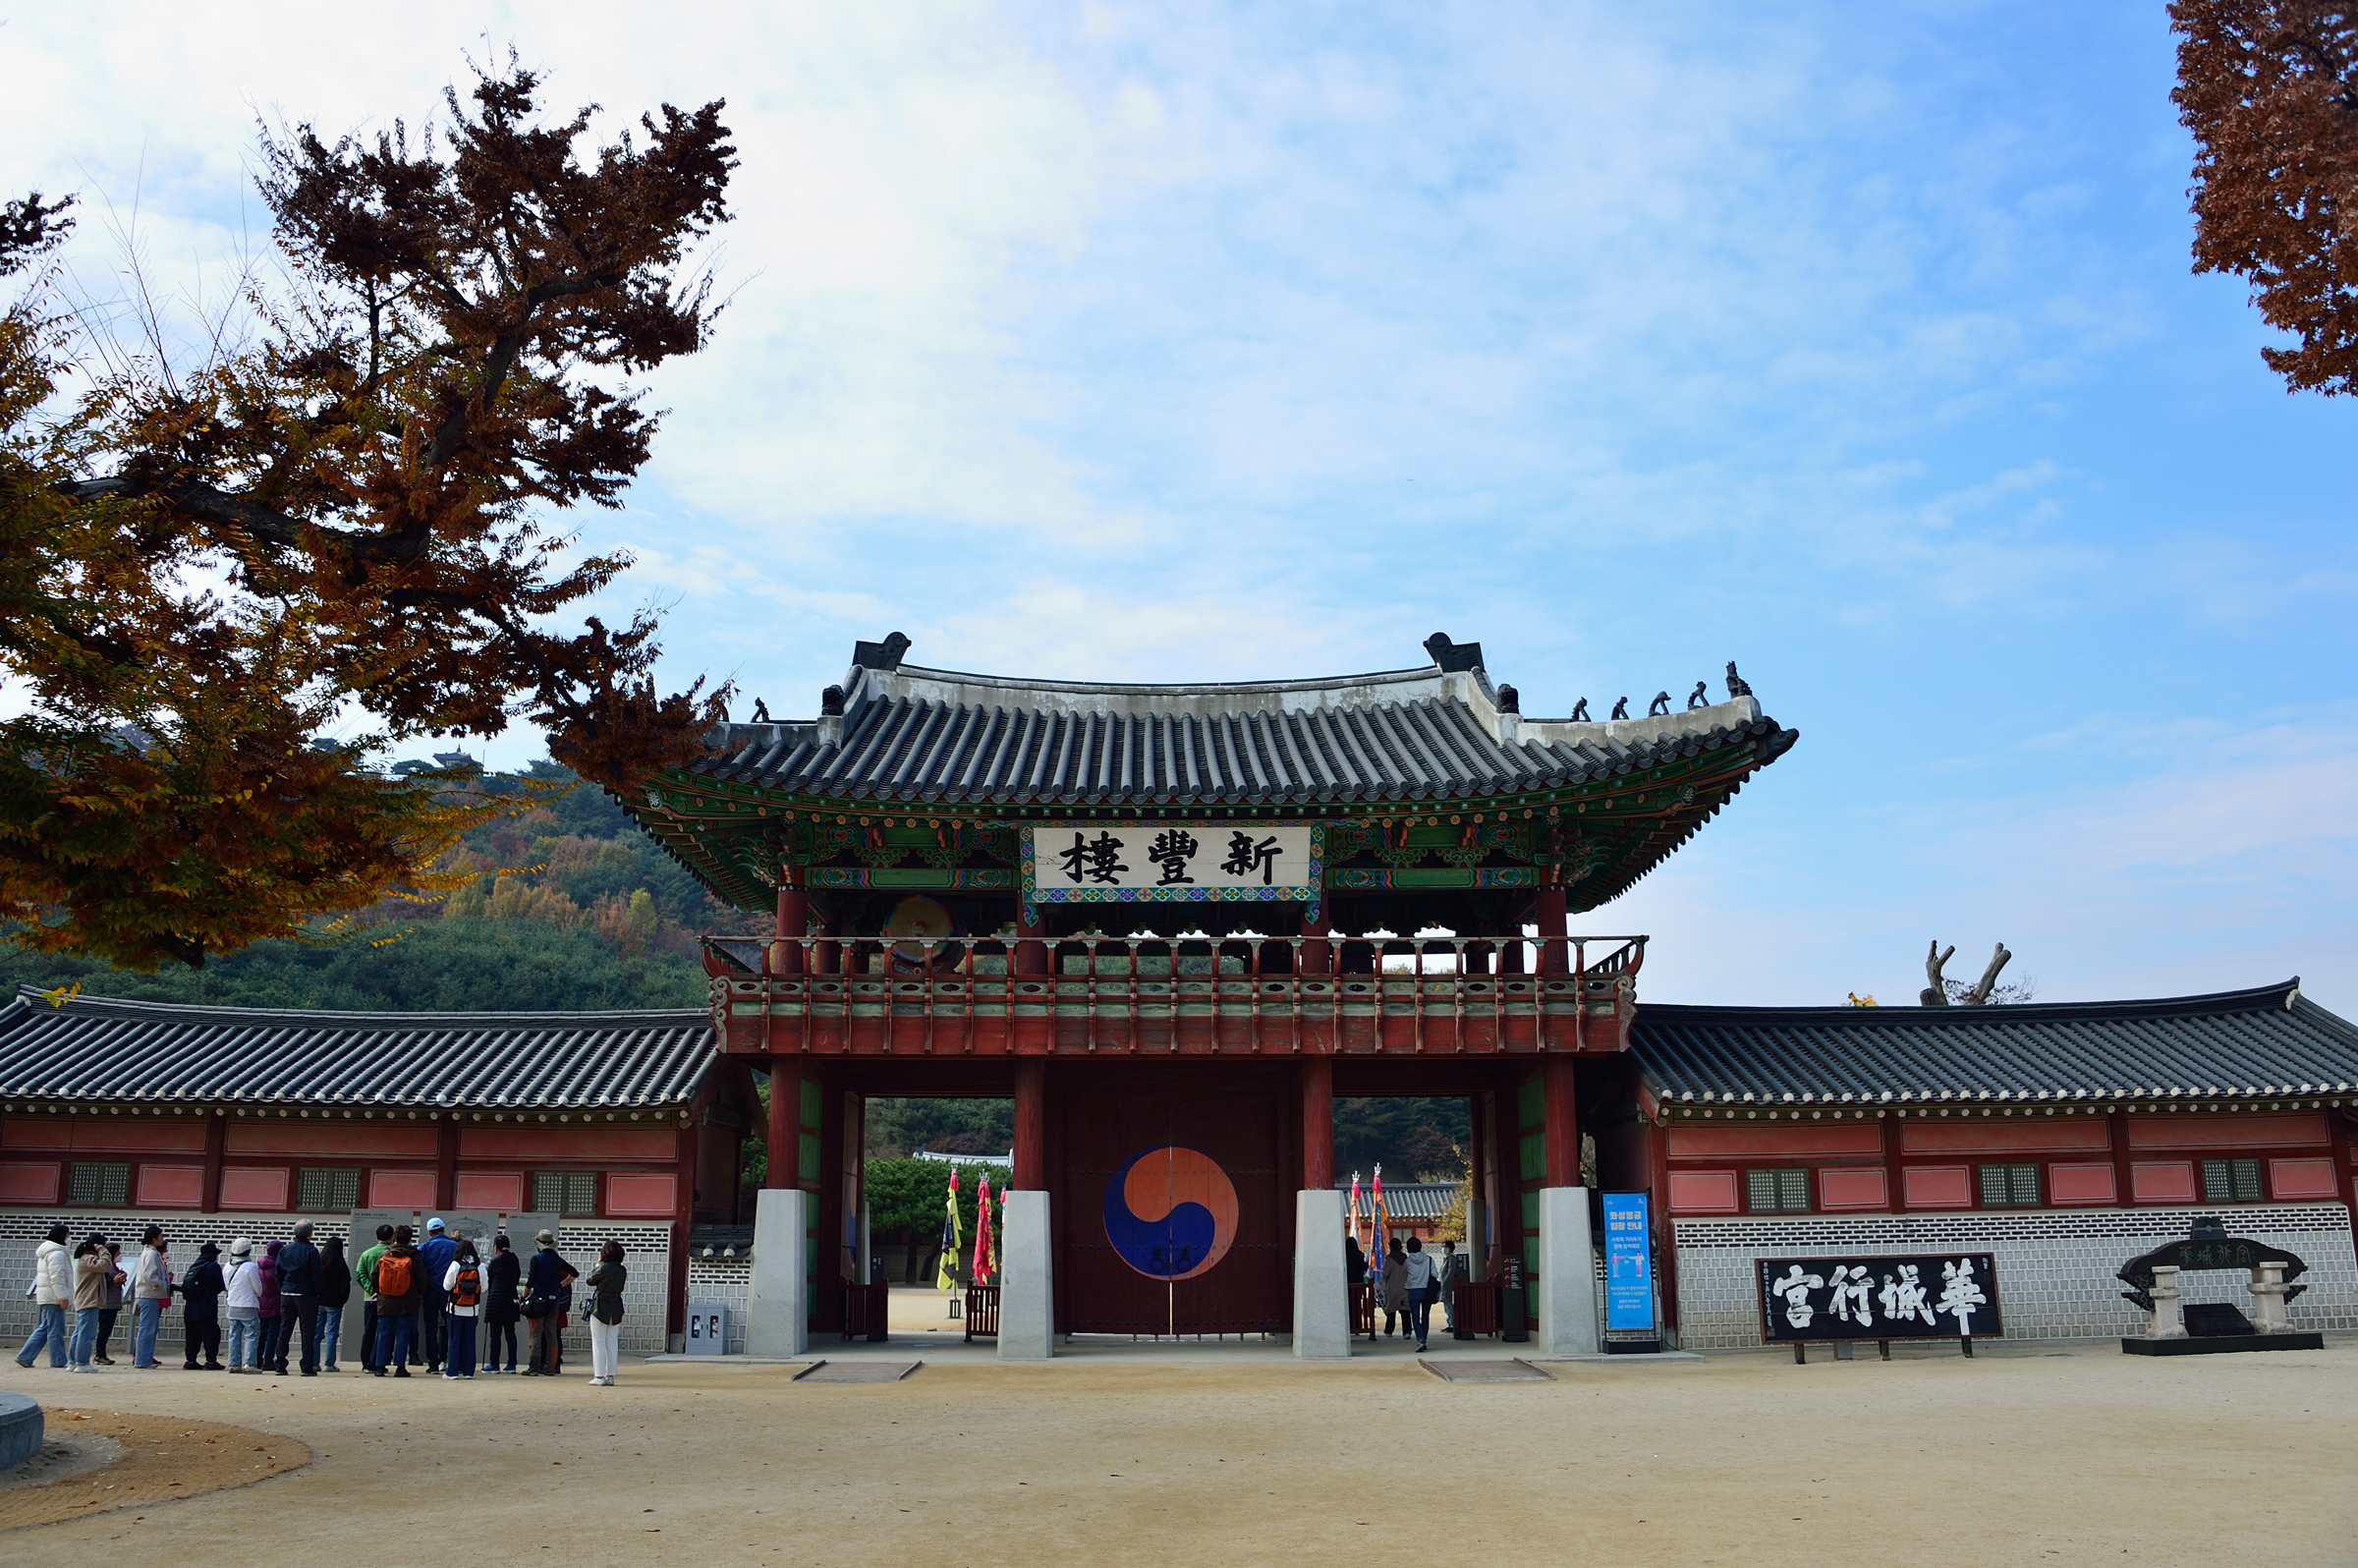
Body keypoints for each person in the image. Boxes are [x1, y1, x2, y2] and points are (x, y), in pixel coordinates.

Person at [16, 1222, 70, 1370]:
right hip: (54, 1296)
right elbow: (57, 1277)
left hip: (48, 1295)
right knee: (55, 1329)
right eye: (67, 1235)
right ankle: (57, 1360)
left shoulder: (47, 1251)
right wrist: (63, 1296)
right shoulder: (57, 1253)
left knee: (46, 1327)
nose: (69, 1237)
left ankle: (25, 1356)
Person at [370, 1224, 421, 1376]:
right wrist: (417, 1294)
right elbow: (421, 1278)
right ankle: (400, 1367)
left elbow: (374, 1276)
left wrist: (379, 1291)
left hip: (385, 1301)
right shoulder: (414, 1256)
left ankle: (380, 1366)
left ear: (395, 1238)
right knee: (403, 1334)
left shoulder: (386, 1255)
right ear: (409, 1239)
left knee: (384, 1333)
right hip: (407, 1301)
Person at [523, 1230, 575, 1376]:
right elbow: (574, 1273)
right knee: (552, 1334)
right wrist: (561, 1285)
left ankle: (534, 1367)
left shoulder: (536, 1259)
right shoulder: (556, 1259)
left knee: (536, 1334)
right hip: (554, 1301)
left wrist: (524, 1294)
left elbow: (532, 1279)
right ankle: (551, 1367)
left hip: (538, 1300)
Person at [276, 1221, 321, 1375]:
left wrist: (281, 1287)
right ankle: (306, 1366)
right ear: (309, 1233)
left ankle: (280, 1364)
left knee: (285, 1328)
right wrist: (318, 1292)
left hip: (286, 1292)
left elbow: (278, 1271)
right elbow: (316, 1273)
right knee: (307, 1331)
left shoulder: (284, 1249)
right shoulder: (311, 1250)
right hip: (305, 1293)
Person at [583, 1241, 628, 1386]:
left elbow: (590, 1281)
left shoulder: (602, 1269)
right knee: (612, 1342)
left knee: (599, 1341)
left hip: (600, 1306)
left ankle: (599, 1376)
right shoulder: (622, 1270)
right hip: (616, 1305)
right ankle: (610, 1376)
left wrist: (598, 1265)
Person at [417, 1217, 458, 1372]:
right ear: (443, 1229)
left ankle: (433, 1364)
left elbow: (419, 1269)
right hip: (449, 1293)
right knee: (452, 1328)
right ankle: (452, 1362)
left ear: (429, 1232)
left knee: (430, 1329)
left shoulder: (424, 1247)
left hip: (429, 1293)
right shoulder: (454, 1246)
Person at [179, 1242, 226, 1371]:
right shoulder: (213, 1266)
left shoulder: (194, 1266)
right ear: (212, 1256)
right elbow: (220, 1286)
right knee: (212, 1335)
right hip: (206, 1308)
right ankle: (211, 1361)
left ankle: (190, 1361)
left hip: (190, 1308)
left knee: (192, 1336)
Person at [441, 1238, 482, 1380]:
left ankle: (452, 1372)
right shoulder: (479, 1266)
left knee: (454, 1340)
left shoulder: (455, 1265)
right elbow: (484, 1287)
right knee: (469, 1340)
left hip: (455, 1309)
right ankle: (468, 1372)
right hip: (473, 1309)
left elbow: (446, 1286)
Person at [69, 1235, 111, 1372]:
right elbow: (105, 1266)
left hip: (84, 1300)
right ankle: (82, 1363)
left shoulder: (84, 1258)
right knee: (86, 1334)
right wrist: (104, 1251)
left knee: (79, 1332)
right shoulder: (89, 1259)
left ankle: (73, 1361)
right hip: (89, 1300)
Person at [131, 1226, 171, 1369]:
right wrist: (160, 1284)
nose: (162, 1239)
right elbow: (149, 1275)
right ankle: (142, 1361)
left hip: (149, 1295)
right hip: (148, 1295)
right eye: (160, 1236)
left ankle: (144, 1359)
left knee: (148, 1329)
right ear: (154, 1239)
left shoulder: (151, 1253)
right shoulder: (151, 1254)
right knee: (147, 1329)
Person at [356, 1223, 393, 1373]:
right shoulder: (392, 1254)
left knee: (369, 1330)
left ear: (377, 1237)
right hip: (387, 1298)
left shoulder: (367, 1253)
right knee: (383, 1331)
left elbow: (359, 1274)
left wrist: (370, 1289)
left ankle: (366, 1362)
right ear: (391, 1237)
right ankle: (378, 1361)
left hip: (369, 1298)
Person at [223, 1237, 263, 1372]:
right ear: (248, 1251)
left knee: (234, 1334)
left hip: (232, 1304)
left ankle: (234, 1363)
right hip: (248, 1304)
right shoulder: (250, 1266)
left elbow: (227, 1287)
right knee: (251, 1334)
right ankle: (249, 1363)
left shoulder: (227, 1266)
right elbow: (258, 1288)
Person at [482, 1234, 522, 1373]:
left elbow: (488, 1279)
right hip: (511, 1298)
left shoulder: (495, 1262)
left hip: (496, 1301)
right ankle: (511, 1364)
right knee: (510, 1333)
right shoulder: (514, 1260)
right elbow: (516, 1277)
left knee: (495, 1334)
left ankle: (494, 1364)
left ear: (496, 1247)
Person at [315, 1236, 351, 1372]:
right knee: (332, 1333)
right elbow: (345, 1285)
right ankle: (329, 1364)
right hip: (334, 1303)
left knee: (316, 1333)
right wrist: (342, 1300)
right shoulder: (341, 1264)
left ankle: (314, 1362)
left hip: (319, 1301)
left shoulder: (319, 1262)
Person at [93, 1242, 125, 1365]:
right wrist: (114, 1280)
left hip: (113, 1302)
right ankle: (99, 1354)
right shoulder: (105, 1266)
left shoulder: (113, 1266)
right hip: (106, 1303)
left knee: (106, 1330)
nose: (119, 1255)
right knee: (104, 1330)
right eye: (118, 1253)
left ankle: (101, 1354)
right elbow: (102, 1283)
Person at [1402, 1235, 1435, 1353]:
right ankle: (1423, 1339)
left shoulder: (1407, 1261)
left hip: (1413, 1290)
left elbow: (1404, 1273)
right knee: (1425, 1316)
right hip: (1427, 1290)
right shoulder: (1429, 1259)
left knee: (1415, 1318)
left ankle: (1420, 1339)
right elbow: (1435, 1274)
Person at [256, 1239, 285, 1373]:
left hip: (262, 1303)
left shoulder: (259, 1267)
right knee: (273, 1334)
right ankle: (268, 1360)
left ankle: (257, 1359)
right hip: (274, 1303)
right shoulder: (277, 1267)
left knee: (262, 1332)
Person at [1437, 1239, 1465, 1337]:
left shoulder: (1451, 1259)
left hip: (1448, 1286)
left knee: (1449, 1306)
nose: (1444, 1248)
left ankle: (1452, 1324)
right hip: (1445, 1286)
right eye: (1443, 1246)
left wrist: (1445, 1281)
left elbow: (1451, 1272)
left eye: (1446, 1247)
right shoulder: (1447, 1259)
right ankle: (1450, 1323)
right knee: (1447, 1306)